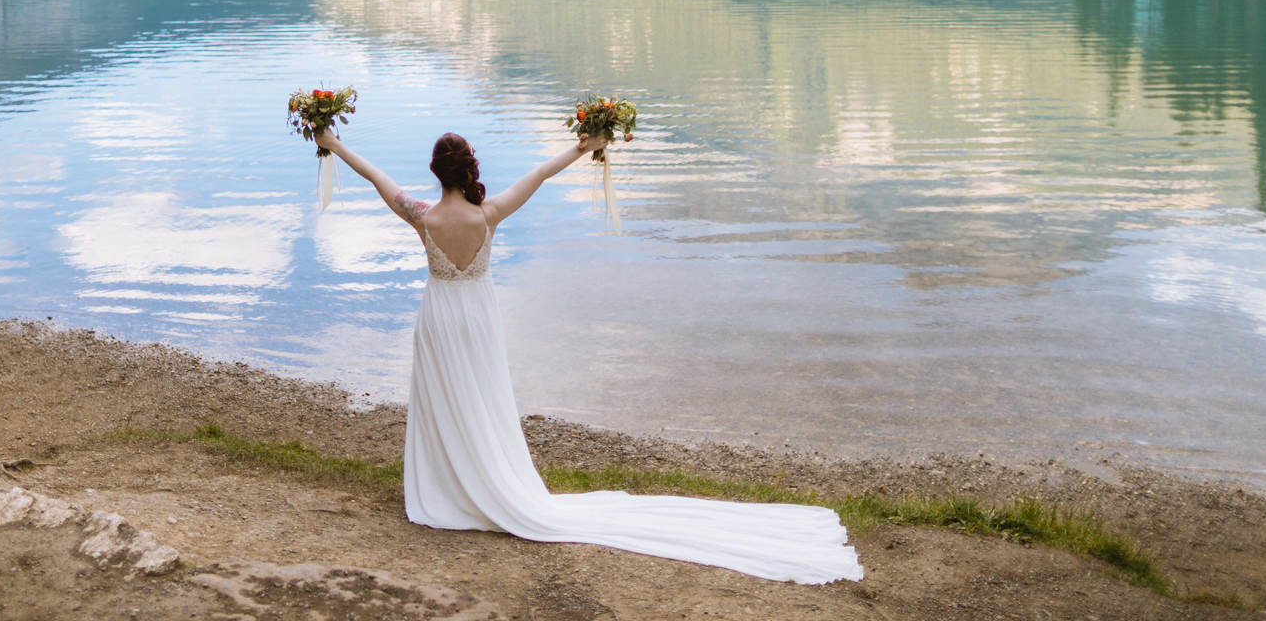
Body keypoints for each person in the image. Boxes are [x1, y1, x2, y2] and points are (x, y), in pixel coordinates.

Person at [313, 127, 864, 584]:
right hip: (478, 322)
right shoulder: (490, 215)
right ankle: (485, 480)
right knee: (483, 398)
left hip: (439, 319)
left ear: (436, 174)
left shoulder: (422, 217)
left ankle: (450, 488)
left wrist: (334, 143)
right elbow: (541, 174)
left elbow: (377, 178)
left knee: (444, 400)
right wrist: (585, 146)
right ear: (468, 170)